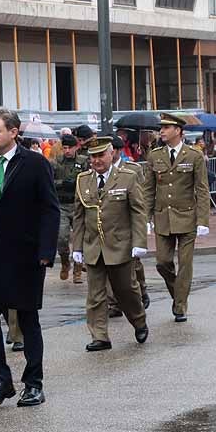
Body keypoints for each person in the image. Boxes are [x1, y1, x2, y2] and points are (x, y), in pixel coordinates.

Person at [0, 107, 59, 409]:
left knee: (27, 318)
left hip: (25, 255)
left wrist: (46, 251)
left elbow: (49, 208)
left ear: (13, 133)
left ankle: (33, 383)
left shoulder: (34, 163)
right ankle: (0, 381)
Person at [71, 137, 149, 351]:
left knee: (126, 291)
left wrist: (139, 241)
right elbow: (79, 217)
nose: (96, 160)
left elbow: (138, 212)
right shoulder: (83, 180)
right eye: (92, 156)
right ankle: (100, 336)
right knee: (95, 295)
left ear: (111, 154)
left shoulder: (127, 177)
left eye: (100, 155)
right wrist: (76, 247)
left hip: (120, 245)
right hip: (93, 246)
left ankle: (139, 320)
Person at [143, 113, 210, 323]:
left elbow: (202, 189)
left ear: (178, 131)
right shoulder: (155, 156)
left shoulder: (194, 155)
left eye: (166, 127)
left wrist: (203, 221)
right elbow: (148, 189)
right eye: (161, 127)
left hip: (187, 217)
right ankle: (178, 294)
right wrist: (146, 217)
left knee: (185, 264)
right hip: (163, 217)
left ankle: (180, 306)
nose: (161, 131)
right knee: (162, 263)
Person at [106, 135, 150, 313]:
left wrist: (145, 221)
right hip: (108, 225)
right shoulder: (98, 170)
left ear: (116, 151)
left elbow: (140, 198)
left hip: (128, 223)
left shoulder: (133, 170)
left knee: (134, 264)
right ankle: (113, 303)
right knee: (108, 264)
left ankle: (142, 289)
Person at [52, 133, 88, 283]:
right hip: (62, 204)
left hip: (78, 203)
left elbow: (88, 179)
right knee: (61, 237)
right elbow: (49, 181)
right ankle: (65, 261)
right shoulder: (56, 163)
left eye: (69, 148)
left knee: (80, 237)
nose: (67, 151)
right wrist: (61, 183)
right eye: (64, 147)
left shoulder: (83, 161)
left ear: (76, 147)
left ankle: (78, 269)